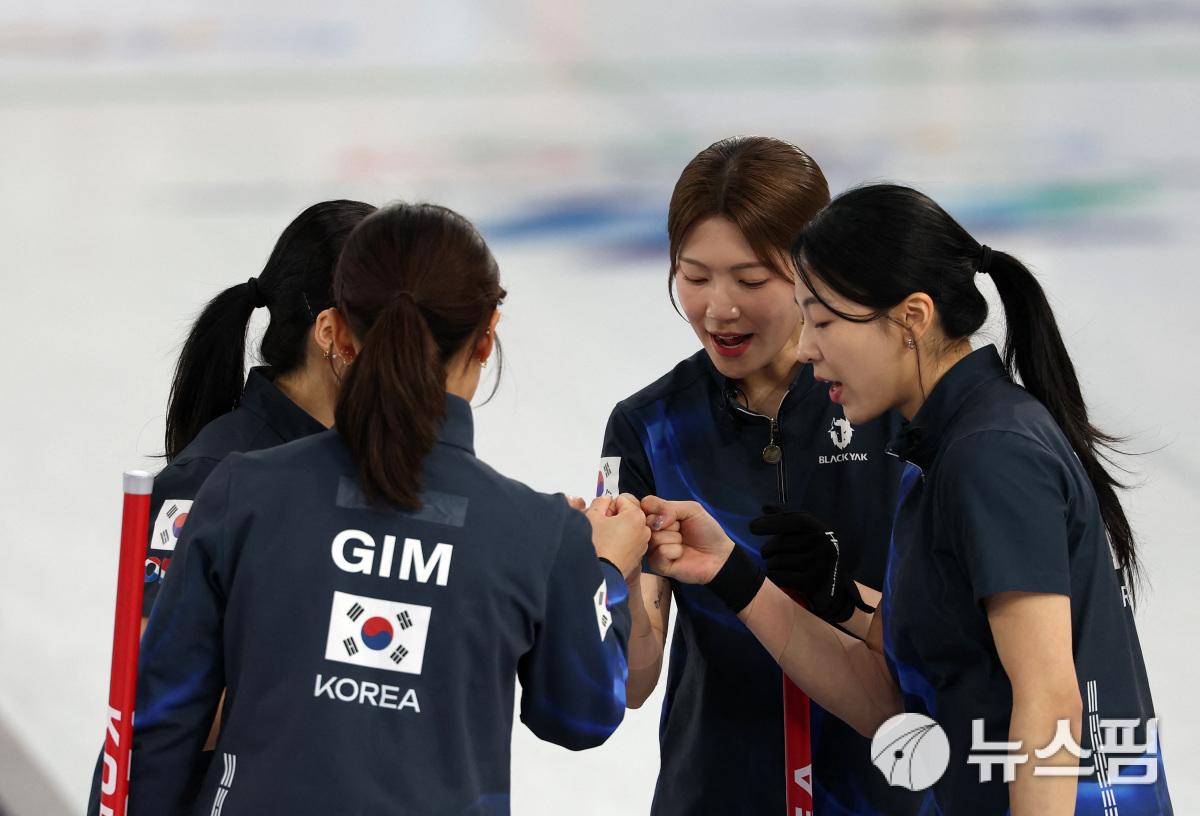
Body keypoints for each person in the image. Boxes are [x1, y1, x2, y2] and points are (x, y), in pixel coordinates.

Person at [642, 184, 1172, 815]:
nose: (806, 348)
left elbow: (1050, 700)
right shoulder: (936, 459)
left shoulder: (991, 454)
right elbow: (891, 699)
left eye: (824, 321)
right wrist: (731, 573)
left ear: (912, 318)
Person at [122, 202, 650, 815]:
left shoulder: (242, 490)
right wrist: (602, 575)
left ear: (340, 331)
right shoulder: (538, 532)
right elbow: (582, 712)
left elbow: (157, 724)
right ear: (487, 336)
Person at [598, 138, 923, 814]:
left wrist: (842, 596)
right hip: (718, 792)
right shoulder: (649, 427)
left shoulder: (893, 408)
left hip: (887, 787)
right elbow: (632, 682)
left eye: (750, 281)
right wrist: (615, 576)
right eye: (694, 277)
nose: (718, 309)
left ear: (815, 271)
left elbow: (952, 643)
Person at [142, 199, 376, 620]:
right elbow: (156, 652)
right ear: (331, 333)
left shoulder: (380, 462)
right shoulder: (209, 479)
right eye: (397, 322)